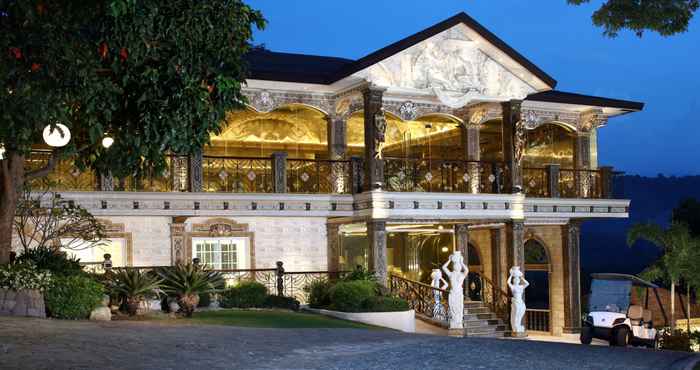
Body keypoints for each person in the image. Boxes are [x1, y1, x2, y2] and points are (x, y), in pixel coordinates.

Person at [442, 251, 468, 329]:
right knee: (453, 309)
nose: (457, 266)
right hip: (453, 293)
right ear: (454, 266)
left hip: (459, 294)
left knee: (459, 309)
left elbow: (467, 270)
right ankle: (454, 321)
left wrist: (462, 262)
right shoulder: (451, 274)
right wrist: (449, 260)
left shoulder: (461, 275)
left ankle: (459, 322)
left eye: (458, 265)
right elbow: (443, 267)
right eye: (456, 265)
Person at [507, 266, 530, 333]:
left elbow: (527, 283)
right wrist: (511, 275)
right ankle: (515, 326)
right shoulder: (513, 287)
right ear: (514, 281)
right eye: (515, 280)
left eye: (518, 280)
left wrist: (521, 277)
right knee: (516, 313)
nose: (517, 280)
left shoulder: (521, 286)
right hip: (516, 301)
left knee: (521, 312)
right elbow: (508, 282)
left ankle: (518, 325)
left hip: (520, 302)